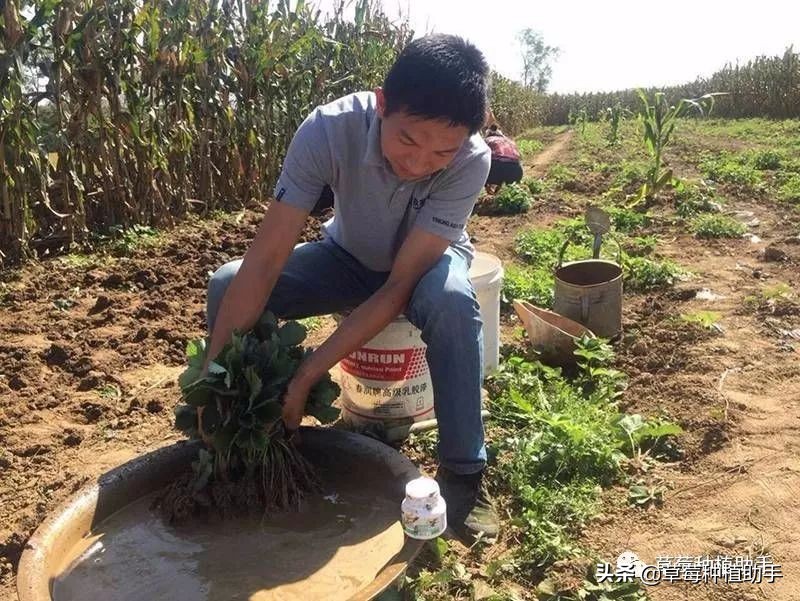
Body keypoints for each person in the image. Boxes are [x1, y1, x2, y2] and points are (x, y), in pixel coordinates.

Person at [204, 34, 499, 543]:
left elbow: (401, 283)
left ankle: (465, 473)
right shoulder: (328, 130)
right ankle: (253, 434)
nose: (419, 163)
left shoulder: (472, 160)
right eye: (408, 140)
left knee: (451, 302)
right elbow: (266, 259)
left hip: (426, 263)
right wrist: (213, 377)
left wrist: (308, 374)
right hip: (347, 255)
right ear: (382, 104)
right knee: (227, 283)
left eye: (441, 152)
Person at [483, 123, 523, 194]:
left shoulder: (487, 140)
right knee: (511, 189)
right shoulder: (509, 140)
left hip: (495, 171)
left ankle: (489, 189)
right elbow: (518, 157)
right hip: (517, 171)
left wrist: (486, 185)